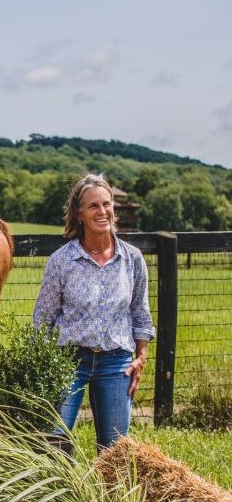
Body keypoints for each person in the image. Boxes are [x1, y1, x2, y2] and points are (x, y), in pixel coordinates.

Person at [33, 173, 155, 450]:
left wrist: (141, 358)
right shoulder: (62, 261)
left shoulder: (132, 259)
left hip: (116, 363)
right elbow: (43, 320)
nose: (102, 211)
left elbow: (140, 313)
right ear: (79, 214)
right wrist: (41, 369)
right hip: (68, 360)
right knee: (53, 440)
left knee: (113, 449)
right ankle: (66, 491)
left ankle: (106, 494)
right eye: (93, 206)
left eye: (107, 204)